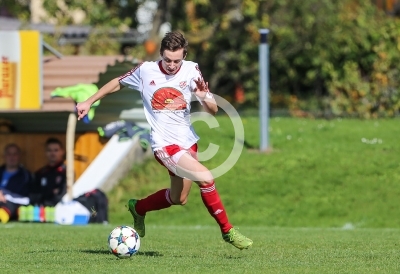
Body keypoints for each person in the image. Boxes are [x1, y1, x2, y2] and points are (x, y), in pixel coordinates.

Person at [76, 31, 253, 249]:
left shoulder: (191, 69)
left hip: (188, 142)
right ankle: (228, 231)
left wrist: (204, 96)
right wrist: (89, 101)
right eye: (167, 60)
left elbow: (213, 111)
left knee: (179, 198)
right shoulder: (145, 70)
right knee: (206, 178)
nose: (171, 65)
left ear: (184, 56)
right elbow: (117, 82)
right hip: (165, 146)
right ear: (161, 54)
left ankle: (138, 208)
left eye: (176, 61)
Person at [0, 143, 33, 223]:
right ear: (4, 156)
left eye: (15, 154)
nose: (12, 157)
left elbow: (24, 198)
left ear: (19, 156)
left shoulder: (26, 175)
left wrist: (4, 194)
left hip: (14, 204)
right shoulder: (0, 171)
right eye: (9, 154)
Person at [30, 137, 67, 207]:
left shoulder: (67, 173)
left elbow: (63, 195)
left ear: (62, 152)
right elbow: (33, 195)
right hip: (41, 210)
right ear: (45, 152)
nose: (52, 153)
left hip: (60, 209)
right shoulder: (40, 173)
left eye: (56, 150)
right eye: (49, 150)